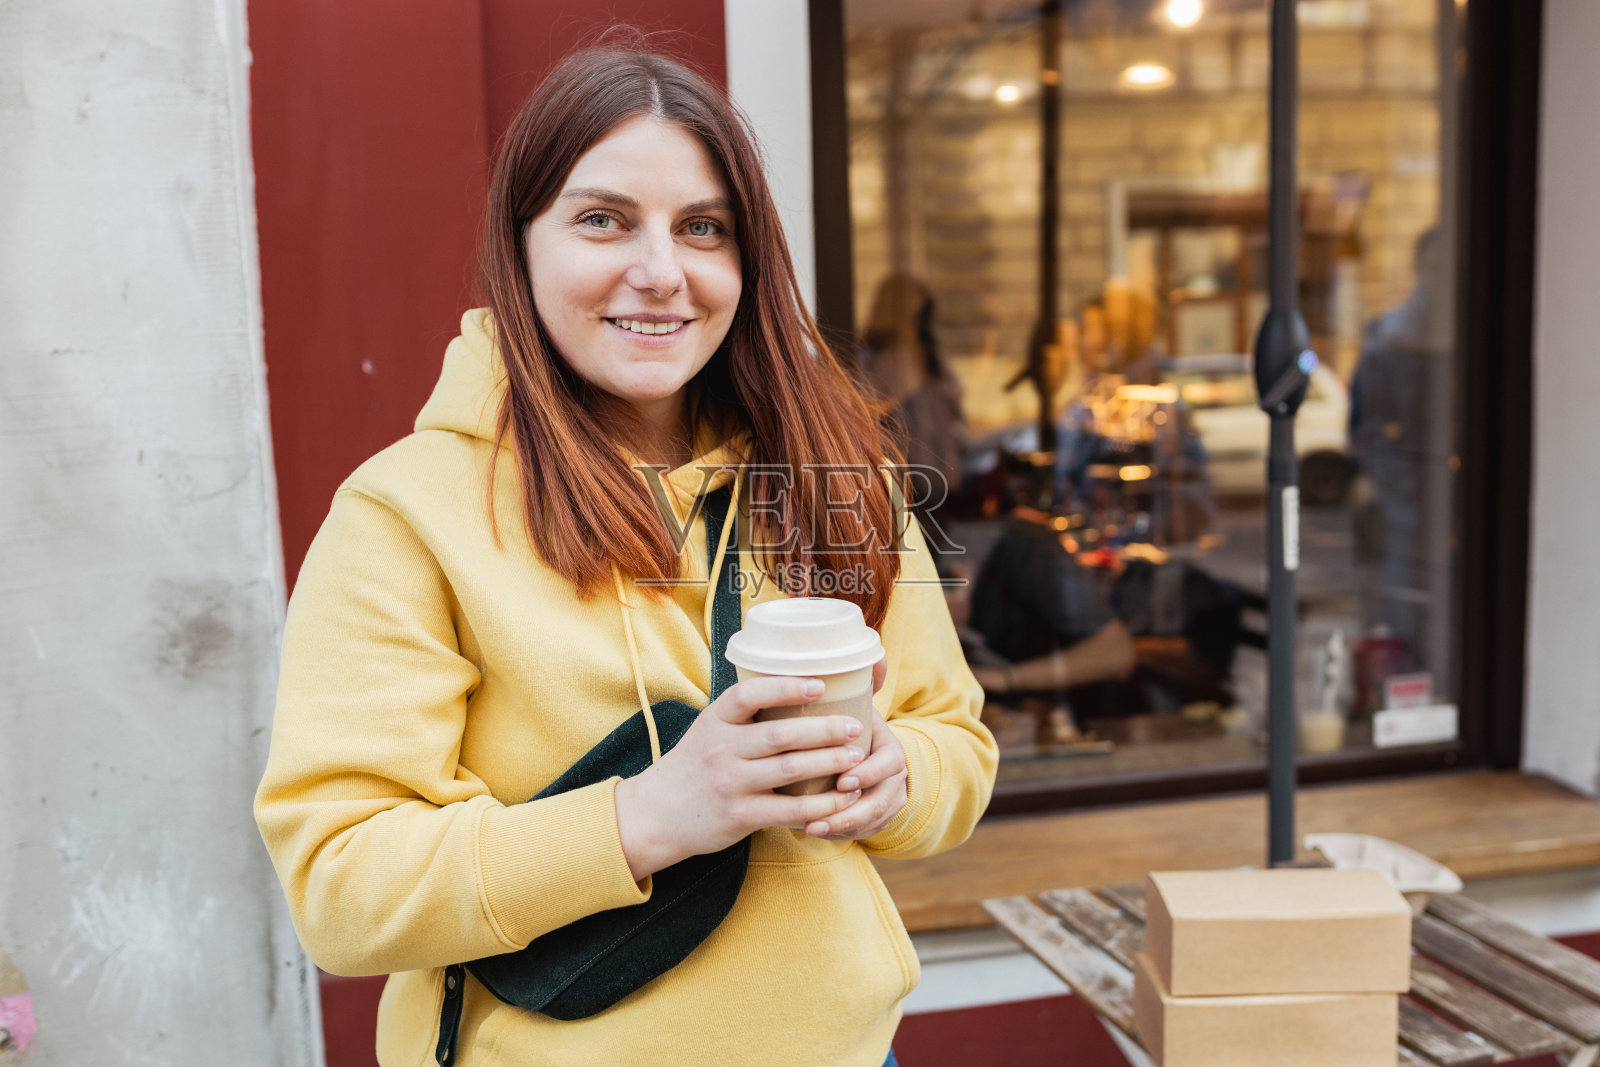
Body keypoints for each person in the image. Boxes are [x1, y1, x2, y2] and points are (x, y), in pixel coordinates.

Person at [253, 45, 995, 1067]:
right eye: (603, 219)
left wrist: (894, 775)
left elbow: (955, 739)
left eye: (703, 227)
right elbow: (342, 886)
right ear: (520, 245)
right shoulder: (405, 514)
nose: (662, 271)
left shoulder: (839, 471)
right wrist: (650, 815)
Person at [854, 273, 968, 517]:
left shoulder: (932, 357)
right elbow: (867, 411)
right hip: (895, 480)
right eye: (908, 316)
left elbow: (955, 407)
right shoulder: (871, 358)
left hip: (937, 482)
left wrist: (955, 446)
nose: (913, 324)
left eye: (919, 316)